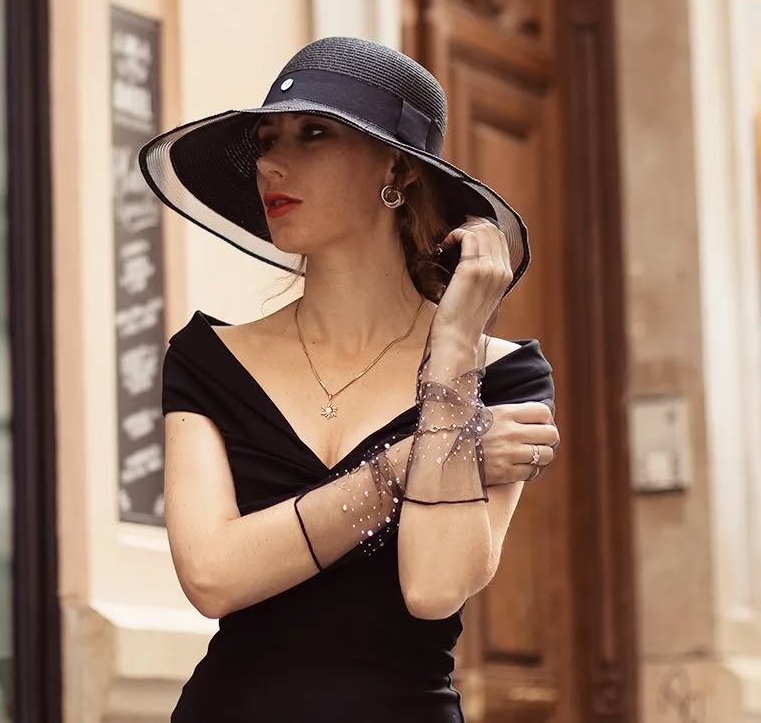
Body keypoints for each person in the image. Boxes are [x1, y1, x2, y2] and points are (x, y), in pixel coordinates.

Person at [138, 37, 559, 722]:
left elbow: (433, 585)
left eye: (313, 134)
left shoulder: (503, 377)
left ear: (398, 168)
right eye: (266, 139)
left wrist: (452, 350)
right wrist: (404, 468)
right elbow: (212, 577)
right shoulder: (206, 359)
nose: (271, 163)